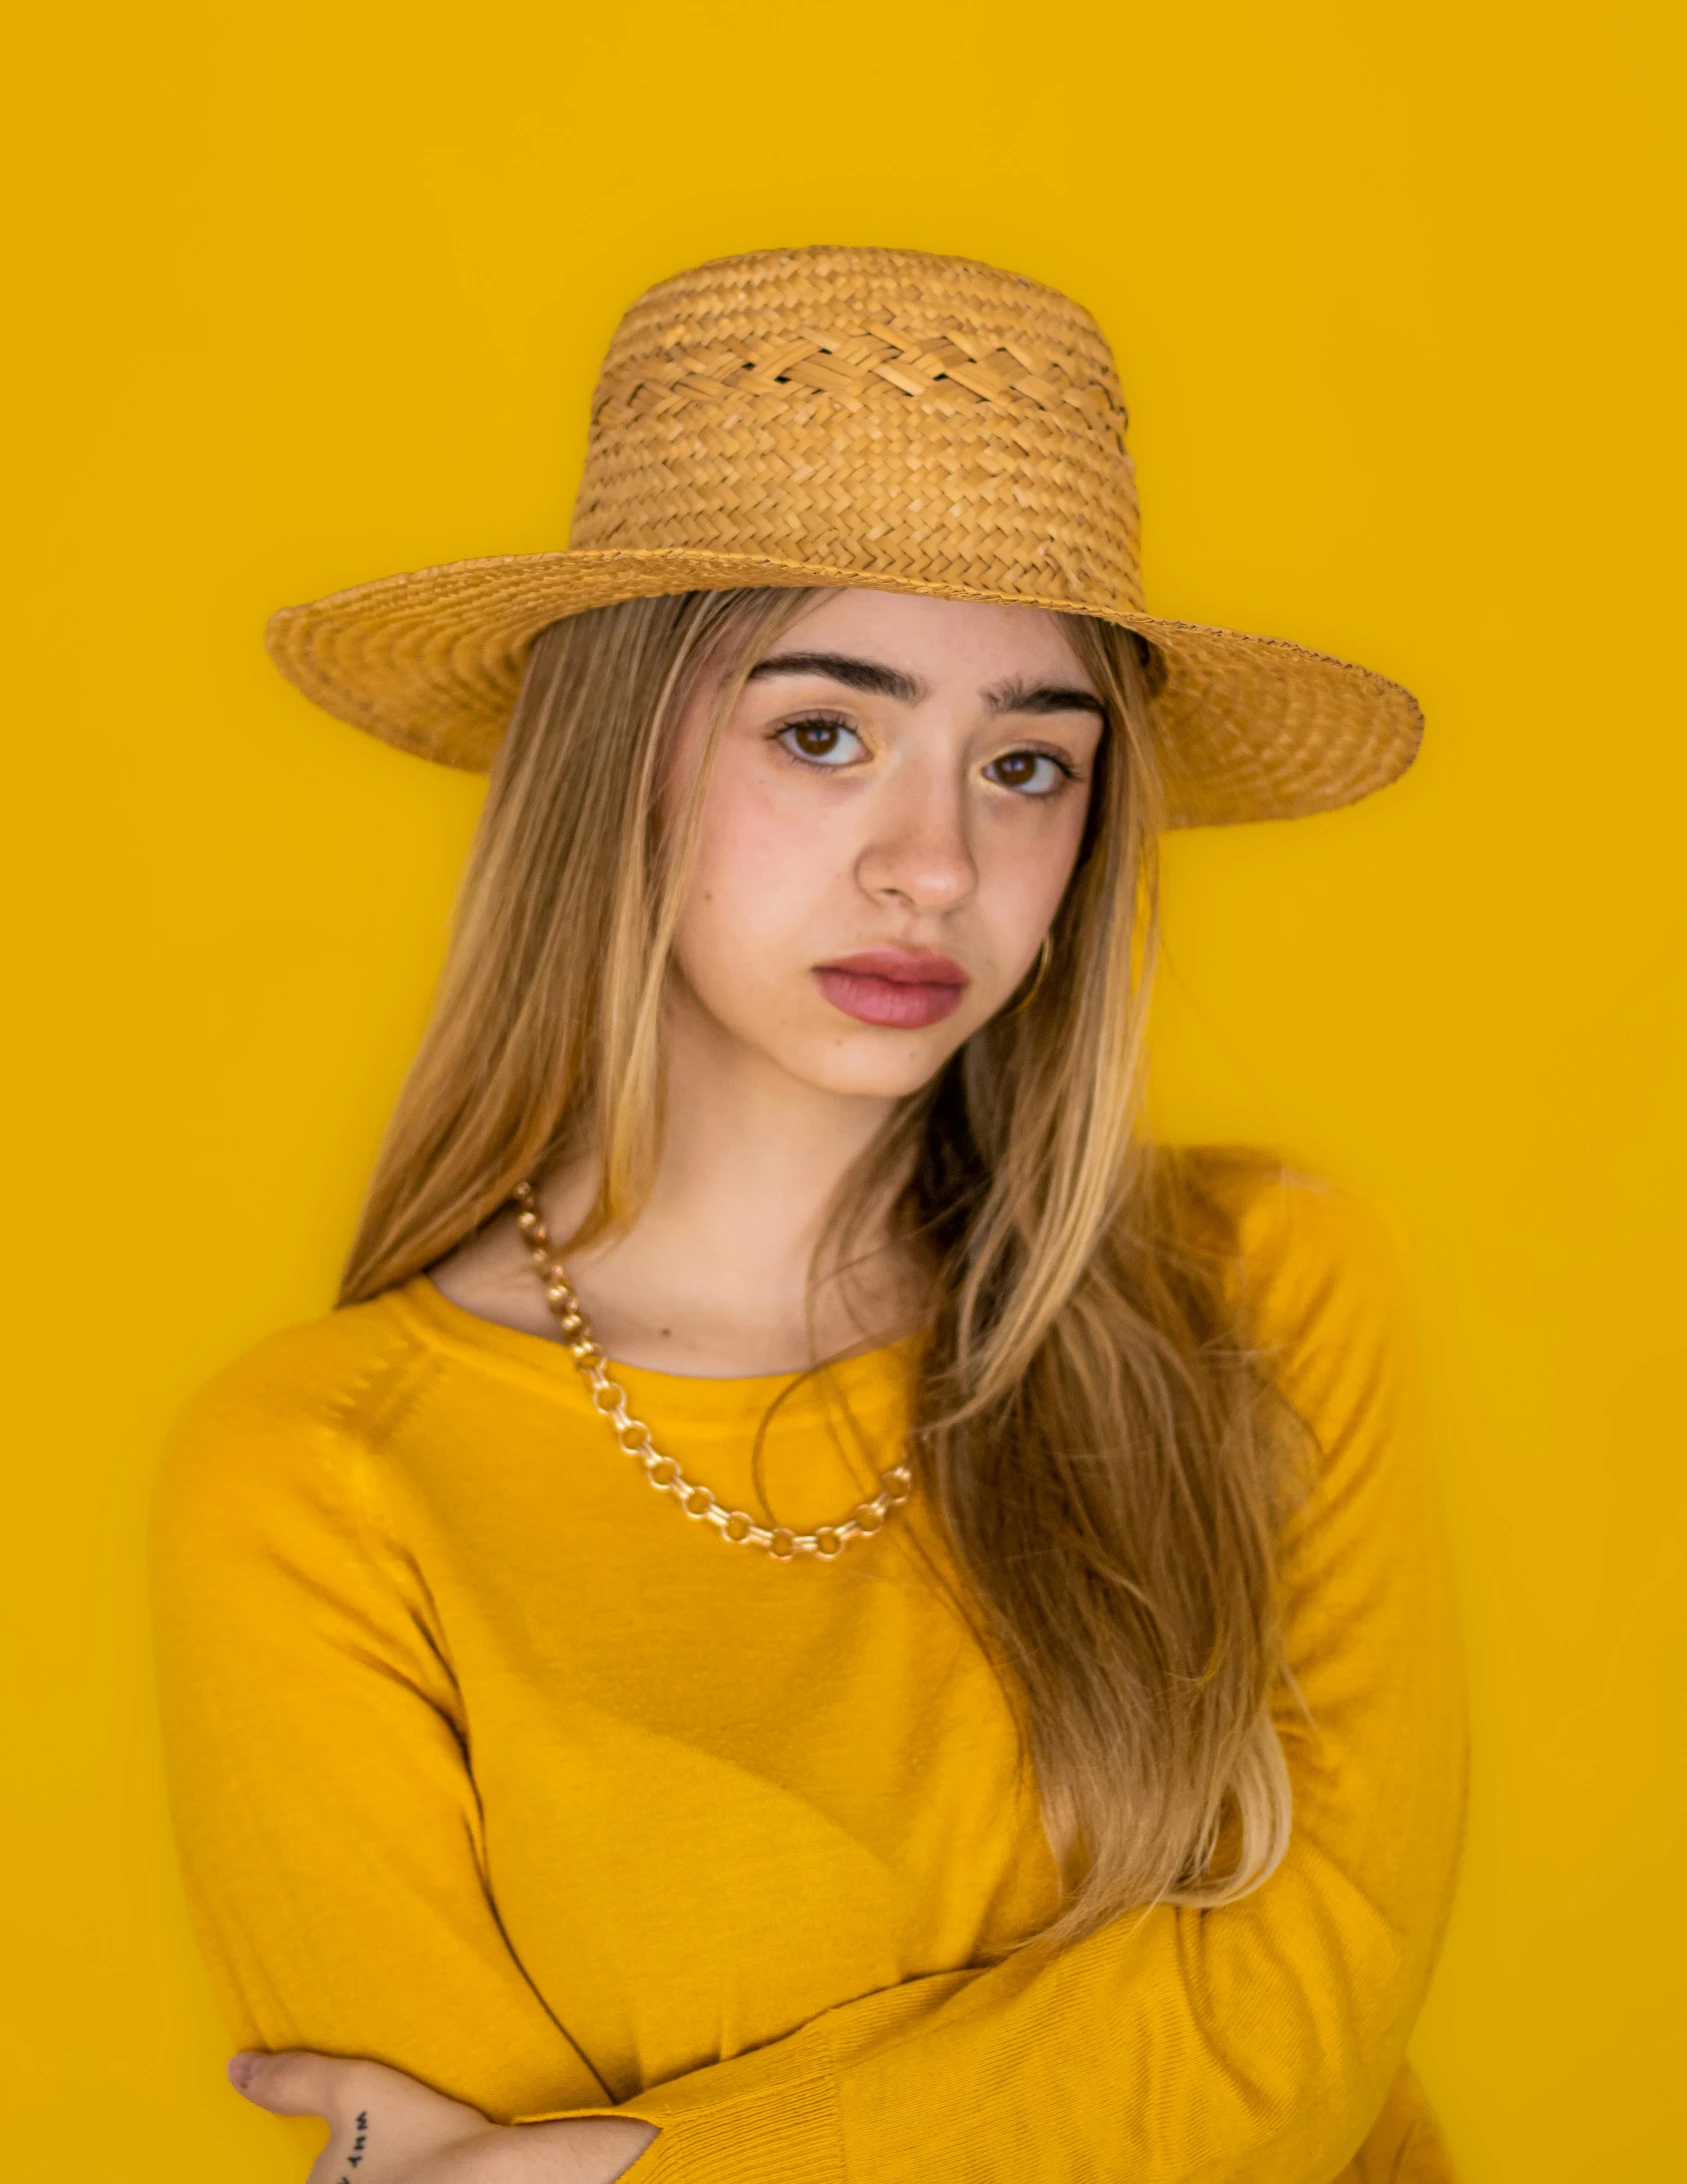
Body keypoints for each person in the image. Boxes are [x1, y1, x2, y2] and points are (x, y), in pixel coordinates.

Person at [153, 245, 1464, 2184]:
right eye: (824, 733)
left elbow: (1303, 2032)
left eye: (1027, 765)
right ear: (617, 761)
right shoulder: (318, 1484)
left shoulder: (1256, 1298)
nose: (935, 866)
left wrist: (643, 2161)